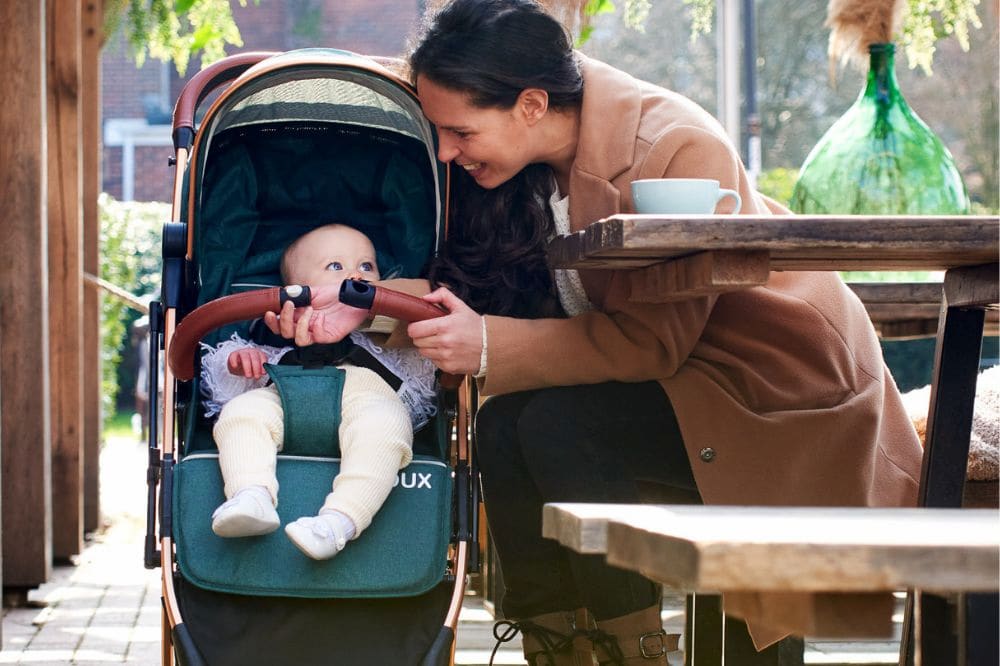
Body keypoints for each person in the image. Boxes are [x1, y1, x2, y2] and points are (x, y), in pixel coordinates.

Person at [273, 1, 924, 662]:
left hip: (775, 396)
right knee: (504, 426)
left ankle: (633, 650)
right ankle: (560, 646)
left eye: (460, 132)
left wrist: (489, 345)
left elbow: (654, 342)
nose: (445, 150)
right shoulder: (516, 162)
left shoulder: (673, 144)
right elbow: (482, 291)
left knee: (559, 425)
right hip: (676, 384)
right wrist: (362, 302)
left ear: (530, 104)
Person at [201, 223, 437, 561]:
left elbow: (419, 362)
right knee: (241, 414)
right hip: (285, 399)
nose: (357, 275)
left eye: (367, 266)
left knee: (386, 426)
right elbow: (229, 371)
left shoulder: (383, 329)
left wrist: (381, 315)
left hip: (366, 400)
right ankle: (251, 495)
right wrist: (241, 362)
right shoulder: (272, 327)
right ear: (294, 288)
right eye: (336, 266)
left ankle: (339, 521)